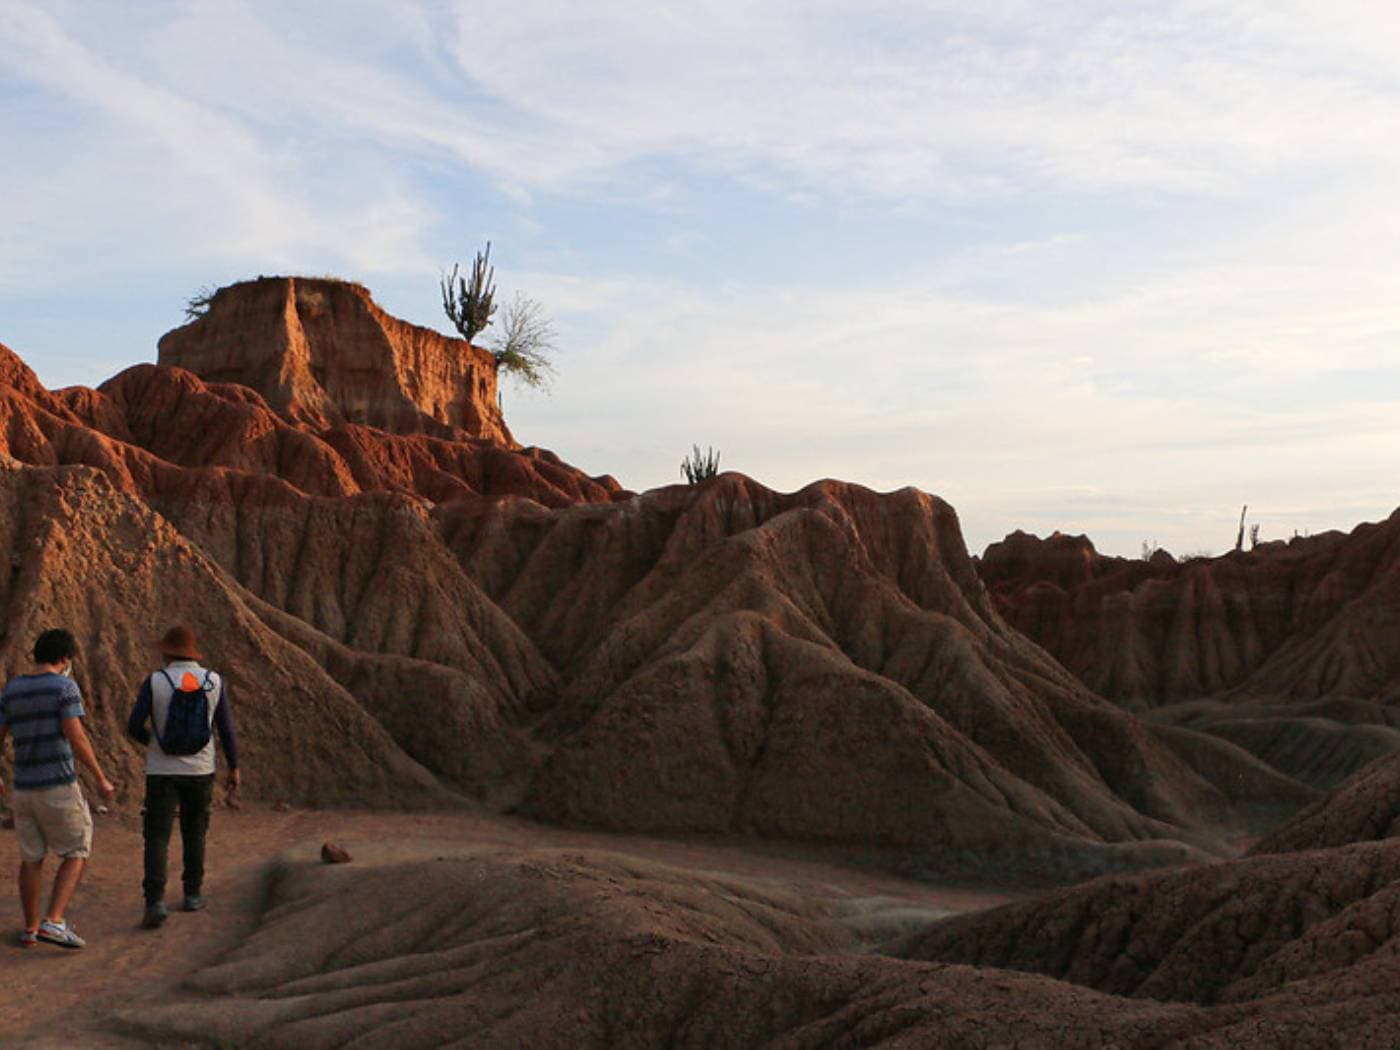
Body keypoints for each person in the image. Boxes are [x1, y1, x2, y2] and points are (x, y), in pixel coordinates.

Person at [0, 628, 117, 949]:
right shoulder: (64, 687)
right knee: (77, 849)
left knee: (31, 858)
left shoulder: (12, 689)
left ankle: (30, 928)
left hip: (23, 789)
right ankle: (53, 920)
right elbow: (75, 735)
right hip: (57, 785)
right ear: (65, 659)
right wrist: (99, 776)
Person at [126, 625, 240, 930]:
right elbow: (226, 729)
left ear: (167, 652)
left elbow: (133, 725)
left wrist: (154, 741)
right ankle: (192, 894)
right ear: (193, 653)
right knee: (195, 832)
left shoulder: (155, 681)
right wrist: (235, 767)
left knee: (157, 836)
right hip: (201, 770)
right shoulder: (213, 681)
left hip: (162, 772)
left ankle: (155, 902)